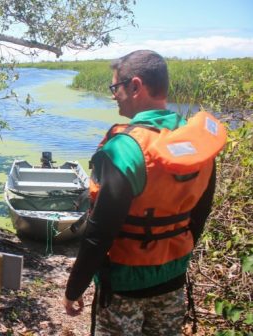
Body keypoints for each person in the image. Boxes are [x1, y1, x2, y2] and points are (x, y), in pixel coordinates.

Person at [63, 50, 226, 335]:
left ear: (135, 86)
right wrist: (175, 259)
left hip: (123, 286)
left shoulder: (125, 148)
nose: (114, 95)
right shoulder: (198, 143)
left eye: (115, 87)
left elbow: (100, 230)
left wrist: (74, 288)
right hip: (173, 278)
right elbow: (199, 215)